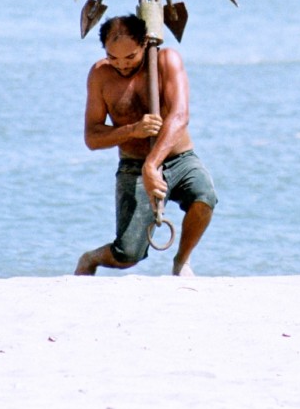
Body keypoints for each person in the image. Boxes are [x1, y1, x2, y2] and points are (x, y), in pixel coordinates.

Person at [75, 14, 217, 277]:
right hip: (133, 166)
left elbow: (180, 116)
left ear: (145, 43)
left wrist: (153, 165)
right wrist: (132, 131)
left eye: (130, 57)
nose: (122, 65)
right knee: (128, 254)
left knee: (204, 195)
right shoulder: (100, 75)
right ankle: (90, 259)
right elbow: (92, 137)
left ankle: (181, 261)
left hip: (178, 158)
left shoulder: (166, 60)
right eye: (113, 57)